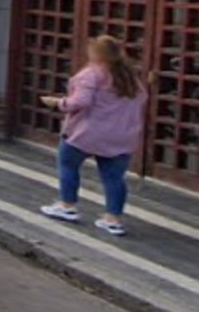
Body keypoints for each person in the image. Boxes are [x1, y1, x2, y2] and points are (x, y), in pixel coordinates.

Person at [39, 35, 147, 237]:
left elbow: (81, 101)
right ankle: (113, 219)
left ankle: (67, 205)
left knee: (68, 165)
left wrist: (58, 103)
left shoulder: (91, 74)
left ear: (96, 54)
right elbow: (140, 101)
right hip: (121, 136)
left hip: (86, 133)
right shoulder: (130, 78)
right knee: (114, 178)